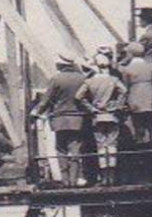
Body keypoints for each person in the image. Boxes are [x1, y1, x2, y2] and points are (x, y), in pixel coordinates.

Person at [30, 55, 89, 186]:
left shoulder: (56, 79)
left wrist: (36, 112)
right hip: (77, 117)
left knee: (61, 149)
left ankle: (65, 180)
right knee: (75, 149)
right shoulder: (82, 78)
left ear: (61, 65)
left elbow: (46, 99)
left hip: (60, 118)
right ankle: (74, 180)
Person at [75, 47, 125, 186]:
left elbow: (78, 97)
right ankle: (112, 177)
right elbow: (124, 91)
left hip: (97, 117)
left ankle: (104, 178)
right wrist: (116, 105)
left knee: (101, 146)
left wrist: (92, 108)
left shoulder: (89, 81)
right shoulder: (114, 79)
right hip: (111, 116)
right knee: (112, 145)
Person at [119, 40, 152, 175]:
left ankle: (142, 159)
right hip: (150, 98)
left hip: (135, 100)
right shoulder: (150, 67)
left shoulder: (127, 69)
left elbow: (125, 87)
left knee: (139, 130)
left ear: (131, 53)